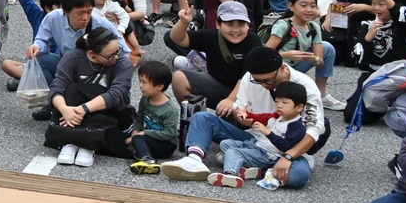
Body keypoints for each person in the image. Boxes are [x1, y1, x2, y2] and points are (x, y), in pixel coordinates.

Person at [161, 47, 323, 190]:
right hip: (255, 139)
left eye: (268, 80)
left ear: (282, 69)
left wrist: (288, 157)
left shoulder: (305, 86)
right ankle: (194, 160)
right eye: (258, 81)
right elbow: (240, 106)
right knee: (202, 118)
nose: (264, 85)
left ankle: (248, 163)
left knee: (298, 176)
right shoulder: (250, 78)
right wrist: (241, 116)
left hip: (286, 147)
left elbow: (314, 131)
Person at [42, 25, 136, 164]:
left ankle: (81, 142)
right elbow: (57, 88)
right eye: (111, 56)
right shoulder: (73, 58)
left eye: (118, 51)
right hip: (76, 114)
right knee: (72, 90)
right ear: (92, 53)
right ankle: (75, 142)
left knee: (79, 91)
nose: (116, 57)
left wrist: (83, 109)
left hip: (111, 113)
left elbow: (117, 95)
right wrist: (65, 110)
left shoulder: (123, 64)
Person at [127, 59, 181, 172]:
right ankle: (139, 152)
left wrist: (143, 133)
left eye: (144, 82)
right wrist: (134, 133)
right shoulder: (145, 99)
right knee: (129, 138)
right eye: (140, 81)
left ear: (159, 86)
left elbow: (169, 134)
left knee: (137, 139)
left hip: (166, 145)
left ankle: (147, 160)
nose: (140, 86)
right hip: (148, 137)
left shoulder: (170, 110)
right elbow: (139, 118)